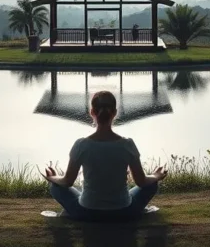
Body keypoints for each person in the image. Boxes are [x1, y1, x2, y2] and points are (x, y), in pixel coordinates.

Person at [43, 90, 167, 220]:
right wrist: (155, 176)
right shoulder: (127, 145)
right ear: (114, 113)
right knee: (152, 184)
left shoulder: (81, 145)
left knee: (55, 188)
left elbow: (67, 182)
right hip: (124, 211)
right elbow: (141, 182)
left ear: (92, 112)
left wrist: (53, 178)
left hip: (86, 212)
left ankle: (76, 209)